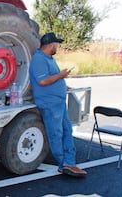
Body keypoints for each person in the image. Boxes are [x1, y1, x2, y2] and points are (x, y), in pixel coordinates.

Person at [29, 32, 87, 177]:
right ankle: (65, 163)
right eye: (56, 44)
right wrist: (61, 76)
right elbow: (42, 81)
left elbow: (51, 78)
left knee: (67, 130)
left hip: (58, 102)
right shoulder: (39, 60)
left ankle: (69, 161)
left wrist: (62, 84)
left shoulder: (49, 58)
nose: (58, 47)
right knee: (56, 133)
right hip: (49, 103)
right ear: (50, 45)